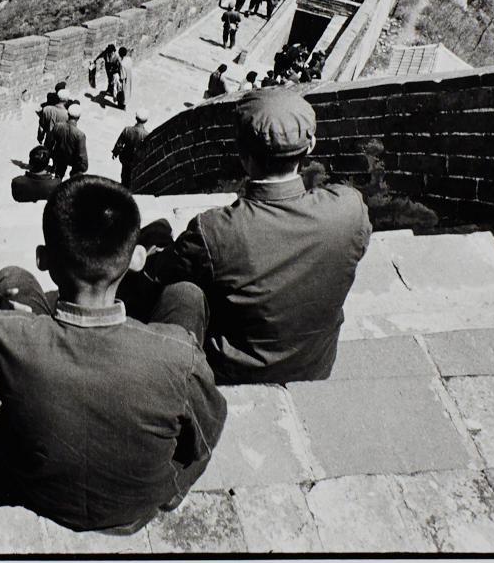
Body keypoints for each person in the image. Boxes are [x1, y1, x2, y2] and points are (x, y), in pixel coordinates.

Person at [0, 176, 226, 534]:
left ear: (44, 259)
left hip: (39, 494)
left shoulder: (4, 336)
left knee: (13, 277)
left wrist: (2, 310)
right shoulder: (178, 354)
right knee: (186, 295)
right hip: (139, 504)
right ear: (137, 258)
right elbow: (205, 433)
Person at [128, 89, 372, 384]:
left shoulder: (215, 229)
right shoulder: (349, 208)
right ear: (311, 146)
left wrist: (153, 243)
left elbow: (157, 273)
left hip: (233, 370)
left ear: (243, 156)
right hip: (314, 364)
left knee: (182, 291)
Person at [45, 103, 87, 178]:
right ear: (78, 118)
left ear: (68, 114)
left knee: (58, 174)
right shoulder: (80, 135)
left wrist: (49, 155)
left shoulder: (57, 126)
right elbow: (82, 157)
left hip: (58, 155)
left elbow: (50, 141)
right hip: (71, 160)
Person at [111, 110, 150, 188]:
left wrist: (115, 153)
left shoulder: (127, 130)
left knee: (124, 175)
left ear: (136, 118)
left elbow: (119, 144)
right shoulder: (146, 135)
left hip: (126, 159)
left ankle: (123, 187)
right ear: (146, 121)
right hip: (137, 162)